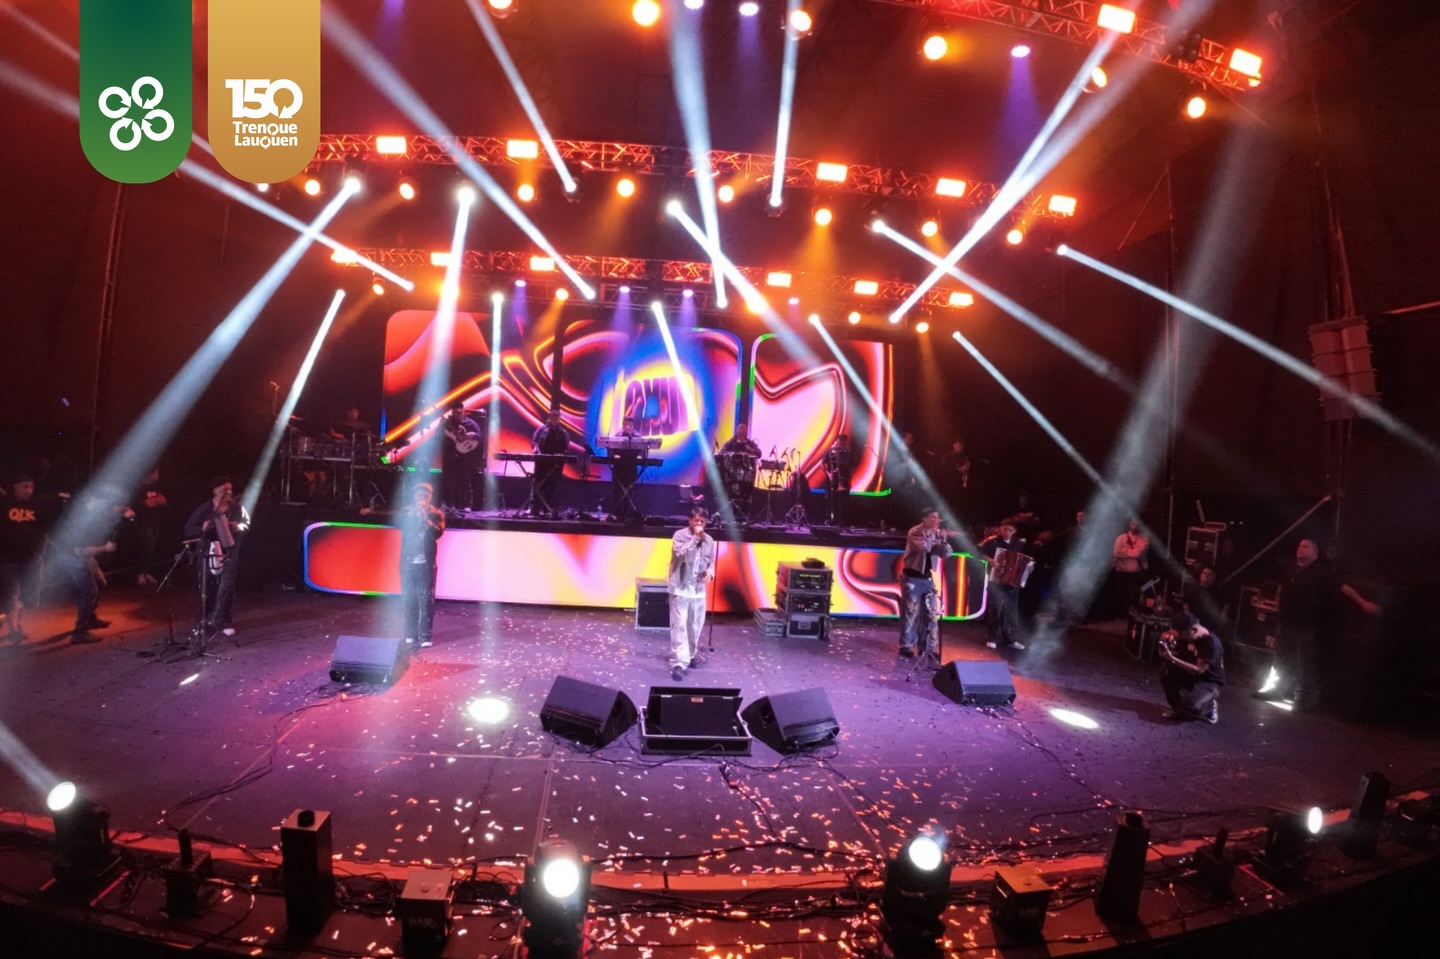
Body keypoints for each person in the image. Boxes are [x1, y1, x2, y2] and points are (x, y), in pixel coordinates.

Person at [1272, 538, 1380, 710]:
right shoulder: (1291, 568)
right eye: (1299, 545)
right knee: (1281, 659)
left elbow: (1342, 587)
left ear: (1314, 552)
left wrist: (1362, 602)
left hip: (1305, 624)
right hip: (1285, 621)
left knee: (1304, 663)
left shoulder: (1321, 572)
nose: (1300, 549)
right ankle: (1276, 688)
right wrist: (1278, 602)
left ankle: (1301, 698)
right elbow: (1282, 586)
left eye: (1305, 546)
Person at [183, 477, 250, 636]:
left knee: (225, 587)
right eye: (224, 489)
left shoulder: (237, 508)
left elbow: (246, 524)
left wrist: (238, 527)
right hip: (208, 552)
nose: (228, 493)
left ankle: (223, 621)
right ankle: (203, 621)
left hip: (229, 552)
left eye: (229, 489)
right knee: (206, 587)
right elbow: (188, 530)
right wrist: (202, 528)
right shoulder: (204, 509)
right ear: (215, 491)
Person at [667, 507, 716, 681]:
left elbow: (711, 562)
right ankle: (679, 663)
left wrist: (710, 573)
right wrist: (695, 538)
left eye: (702, 521)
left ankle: (691, 654)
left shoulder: (709, 540)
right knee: (679, 625)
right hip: (680, 587)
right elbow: (679, 553)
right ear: (690, 521)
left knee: (695, 626)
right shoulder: (680, 535)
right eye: (696, 521)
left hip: (698, 589)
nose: (699, 524)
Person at [1, 474, 51, 642]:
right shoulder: (4, 503)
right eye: (24, 486)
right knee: (11, 595)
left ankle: (18, 624)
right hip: (8, 559)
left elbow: (44, 532)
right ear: (15, 487)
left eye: (31, 487)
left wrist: (40, 554)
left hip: (31, 560)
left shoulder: (37, 506)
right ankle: (13, 630)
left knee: (27, 597)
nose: (28, 490)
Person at [897, 506, 952, 659]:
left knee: (931, 614)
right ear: (924, 518)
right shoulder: (915, 531)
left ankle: (928, 648)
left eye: (937, 518)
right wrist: (937, 539)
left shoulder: (937, 533)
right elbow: (925, 548)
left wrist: (944, 539)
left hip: (928, 578)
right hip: (912, 577)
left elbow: (947, 554)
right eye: (933, 517)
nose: (936, 520)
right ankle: (906, 646)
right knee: (910, 613)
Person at [397, 483, 445, 648]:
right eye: (419, 495)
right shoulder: (407, 512)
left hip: (425, 564)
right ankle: (411, 634)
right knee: (409, 600)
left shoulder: (436, 514)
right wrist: (414, 515)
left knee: (426, 601)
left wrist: (425, 519)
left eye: (425, 495)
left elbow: (438, 533)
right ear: (414, 496)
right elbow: (398, 524)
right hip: (408, 563)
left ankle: (425, 636)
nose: (422, 498)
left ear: (430, 497)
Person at [1158, 612, 1224, 723]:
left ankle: (1210, 706)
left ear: (1193, 630)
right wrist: (1165, 638)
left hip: (1210, 681)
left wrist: (1172, 658)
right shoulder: (1188, 634)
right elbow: (1167, 635)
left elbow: (1198, 670)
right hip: (1190, 675)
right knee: (1166, 673)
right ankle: (1178, 709)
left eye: (1184, 635)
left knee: (1191, 705)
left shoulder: (1211, 643)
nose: (1182, 637)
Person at [978, 519, 1029, 650]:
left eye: (1010, 530)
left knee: (1011, 611)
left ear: (1014, 531)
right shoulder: (993, 542)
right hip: (996, 580)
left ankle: (1010, 639)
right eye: (1004, 529)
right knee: (996, 609)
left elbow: (1026, 560)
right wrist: (990, 560)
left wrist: (1029, 567)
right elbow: (977, 551)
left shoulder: (1018, 544)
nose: (1007, 532)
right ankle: (992, 638)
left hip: (1012, 582)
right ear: (1000, 529)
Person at [441, 400, 485, 512]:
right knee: (448, 479)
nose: (457, 414)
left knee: (463, 479)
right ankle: (448, 504)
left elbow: (479, 436)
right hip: (450, 453)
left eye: (459, 412)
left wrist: (472, 435)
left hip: (465, 455)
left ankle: (465, 505)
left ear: (463, 411)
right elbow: (440, 435)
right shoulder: (447, 422)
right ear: (452, 412)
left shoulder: (470, 423)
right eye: (455, 412)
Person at [530, 410, 572, 517]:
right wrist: (535, 448)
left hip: (555, 465)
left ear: (559, 419)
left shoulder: (563, 432)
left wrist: (562, 454)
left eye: (557, 417)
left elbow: (566, 449)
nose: (555, 419)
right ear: (549, 418)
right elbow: (534, 441)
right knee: (538, 486)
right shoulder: (541, 430)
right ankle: (534, 509)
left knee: (552, 488)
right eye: (553, 417)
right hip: (541, 463)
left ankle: (548, 509)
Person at [718, 423, 762, 520]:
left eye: (744, 428)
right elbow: (722, 451)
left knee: (746, 493)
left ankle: (744, 515)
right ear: (737, 430)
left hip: (748, 473)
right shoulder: (732, 442)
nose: (742, 430)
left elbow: (759, 453)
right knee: (733, 492)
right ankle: (732, 514)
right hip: (733, 472)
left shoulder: (750, 443)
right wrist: (734, 454)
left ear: (746, 430)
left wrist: (748, 450)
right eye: (740, 428)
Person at [133, 467, 168, 585]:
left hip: (154, 522)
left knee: (152, 548)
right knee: (145, 547)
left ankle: (147, 572)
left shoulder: (156, 487)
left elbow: (163, 500)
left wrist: (155, 500)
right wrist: (151, 501)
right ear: (150, 474)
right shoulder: (139, 488)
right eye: (156, 474)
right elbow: (145, 503)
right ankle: (140, 574)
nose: (158, 476)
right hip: (143, 522)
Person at [1110, 518, 1150, 618]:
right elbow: (1116, 553)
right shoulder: (1120, 538)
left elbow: (1138, 554)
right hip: (1121, 571)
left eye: (1137, 523)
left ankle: (1133, 614)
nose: (1135, 525)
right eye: (1133, 523)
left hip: (1136, 572)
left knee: (1134, 594)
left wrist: (1124, 551)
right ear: (1129, 524)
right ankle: (1121, 615)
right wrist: (1131, 552)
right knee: (1120, 594)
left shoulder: (1144, 539)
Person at [823, 434, 852, 526]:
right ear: (837, 440)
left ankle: (844, 521)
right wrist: (829, 474)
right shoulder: (831, 451)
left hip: (844, 480)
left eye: (844, 441)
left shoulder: (847, 452)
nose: (843, 443)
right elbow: (822, 463)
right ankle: (830, 519)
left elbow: (850, 467)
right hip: (832, 479)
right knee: (831, 499)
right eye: (841, 441)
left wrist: (849, 480)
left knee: (844, 501)